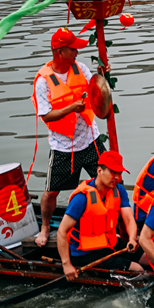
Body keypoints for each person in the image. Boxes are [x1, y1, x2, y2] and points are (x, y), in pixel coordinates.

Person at [32, 27, 106, 248]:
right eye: (72, 49)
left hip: (90, 139)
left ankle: (111, 222)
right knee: (51, 191)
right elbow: (46, 115)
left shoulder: (80, 68)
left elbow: (96, 91)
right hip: (64, 145)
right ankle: (45, 227)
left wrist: (102, 77)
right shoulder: (43, 81)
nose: (77, 52)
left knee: (109, 181)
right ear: (60, 51)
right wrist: (71, 108)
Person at [56, 151, 143, 281]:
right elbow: (61, 231)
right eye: (113, 172)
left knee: (148, 258)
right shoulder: (82, 197)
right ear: (99, 171)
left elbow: (129, 220)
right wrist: (66, 265)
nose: (117, 177)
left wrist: (132, 239)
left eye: (119, 173)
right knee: (138, 269)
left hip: (109, 243)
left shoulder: (119, 190)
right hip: (85, 252)